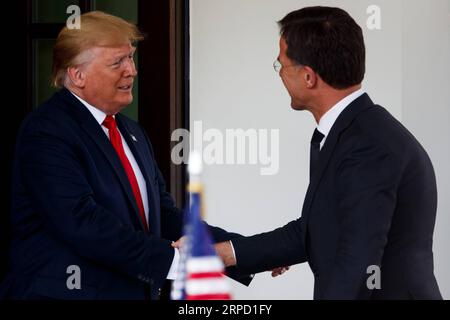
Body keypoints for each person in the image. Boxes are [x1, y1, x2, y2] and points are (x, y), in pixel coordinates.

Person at [0, 11, 250, 300]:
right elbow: (83, 223)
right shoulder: (47, 131)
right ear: (77, 75)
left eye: (130, 57)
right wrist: (176, 262)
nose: (131, 70)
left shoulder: (131, 131)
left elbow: (163, 216)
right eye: (117, 62)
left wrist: (240, 251)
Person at [214, 6, 442, 299]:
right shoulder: (355, 131)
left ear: (308, 77)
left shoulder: (368, 145)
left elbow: (357, 264)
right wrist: (226, 253)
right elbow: (312, 230)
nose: (280, 73)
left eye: (281, 64)